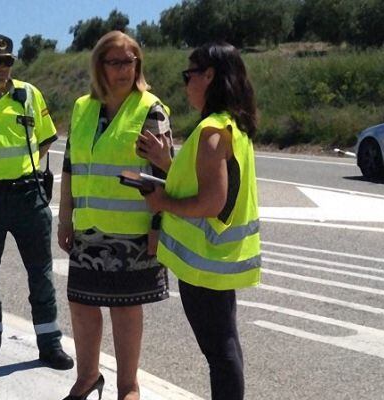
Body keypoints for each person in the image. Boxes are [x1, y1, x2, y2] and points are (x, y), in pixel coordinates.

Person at [141, 42, 262, 400]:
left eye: (188, 75)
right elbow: (206, 182)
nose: (185, 84)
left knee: (221, 355)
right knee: (226, 346)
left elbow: (211, 200)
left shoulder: (211, 131)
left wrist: (160, 200)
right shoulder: (230, 125)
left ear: (208, 76)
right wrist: (168, 164)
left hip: (205, 262)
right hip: (220, 258)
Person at [57, 30, 171, 400]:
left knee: (125, 310)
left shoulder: (150, 109)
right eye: (116, 62)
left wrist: (158, 226)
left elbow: (164, 176)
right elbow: (71, 165)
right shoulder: (82, 107)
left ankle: (128, 386)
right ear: (100, 66)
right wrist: (64, 217)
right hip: (88, 228)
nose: (124, 69)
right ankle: (87, 377)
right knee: (82, 303)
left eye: (130, 61)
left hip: (133, 231)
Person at [0, 33, 73, 372]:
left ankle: (50, 344)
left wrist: (22, 170)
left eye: (8, 62)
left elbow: (46, 140)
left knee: (40, 275)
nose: (3, 68)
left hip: (28, 195)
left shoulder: (28, 94)